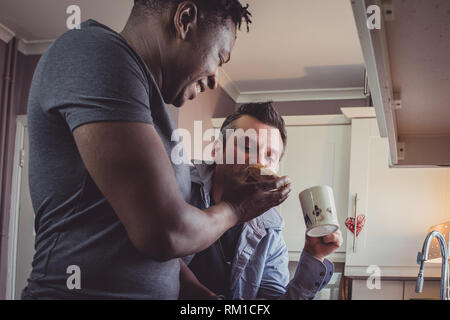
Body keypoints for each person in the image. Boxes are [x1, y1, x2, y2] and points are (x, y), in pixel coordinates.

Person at [23, 1, 292, 299]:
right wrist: (235, 209)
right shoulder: (95, 53)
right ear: (185, 19)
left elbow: (135, 238)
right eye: (220, 57)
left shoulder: (146, 106)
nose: (216, 80)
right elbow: (165, 233)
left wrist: (203, 296)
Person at [182, 102, 343, 300]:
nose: (258, 161)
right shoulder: (176, 185)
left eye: (270, 156)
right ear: (217, 149)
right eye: (247, 147)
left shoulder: (271, 231)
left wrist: (313, 255)